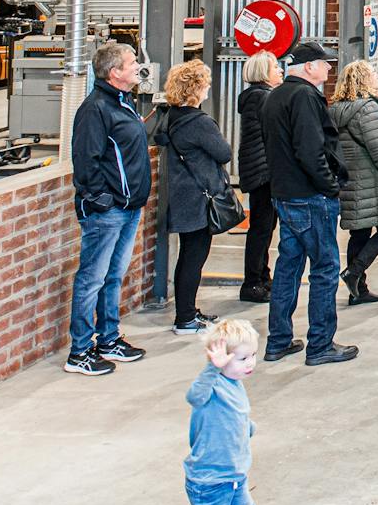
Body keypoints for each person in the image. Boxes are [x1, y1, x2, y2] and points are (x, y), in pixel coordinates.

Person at [260, 41, 357, 366]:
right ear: (309, 66)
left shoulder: (275, 96)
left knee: (288, 268)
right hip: (309, 197)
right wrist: (330, 187)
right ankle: (320, 344)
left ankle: (278, 340)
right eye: (325, 64)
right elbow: (311, 150)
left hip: (285, 195)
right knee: (325, 268)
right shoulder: (304, 97)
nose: (329, 69)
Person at [65, 39, 152, 376]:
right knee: (92, 279)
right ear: (115, 72)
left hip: (128, 208)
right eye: (132, 63)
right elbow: (86, 161)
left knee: (113, 277)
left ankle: (109, 338)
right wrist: (102, 198)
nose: (137, 68)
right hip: (108, 211)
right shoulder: (96, 109)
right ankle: (80, 351)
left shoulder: (123, 102)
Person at [152, 59, 235, 335]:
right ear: (196, 88)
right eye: (206, 85)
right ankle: (185, 318)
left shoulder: (170, 117)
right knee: (194, 258)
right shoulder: (199, 122)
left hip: (181, 195)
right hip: (200, 198)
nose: (208, 90)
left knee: (187, 256)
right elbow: (224, 153)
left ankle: (187, 312)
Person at [328, 59, 378, 308]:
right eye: (372, 75)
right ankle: (354, 272)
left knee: (359, 233)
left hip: (352, 181)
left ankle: (358, 290)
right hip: (374, 181)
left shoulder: (337, 109)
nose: (377, 78)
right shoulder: (368, 110)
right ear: (363, 81)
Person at [183, 317, 259, 505]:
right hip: (210, 481)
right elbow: (194, 397)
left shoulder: (235, 382)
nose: (250, 362)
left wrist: (247, 426)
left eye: (253, 355)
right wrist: (211, 368)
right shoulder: (212, 385)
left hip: (236, 475)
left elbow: (235, 413)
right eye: (242, 358)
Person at [235, 51, 280, 304]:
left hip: (260, 169)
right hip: (262, 171)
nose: (280, 70)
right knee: (261, 229)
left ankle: (262, 276)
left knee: (265, 227)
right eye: (275, 66)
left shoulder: (258, 97)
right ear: (263, 72)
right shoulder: (261, 98)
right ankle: (253, 282)